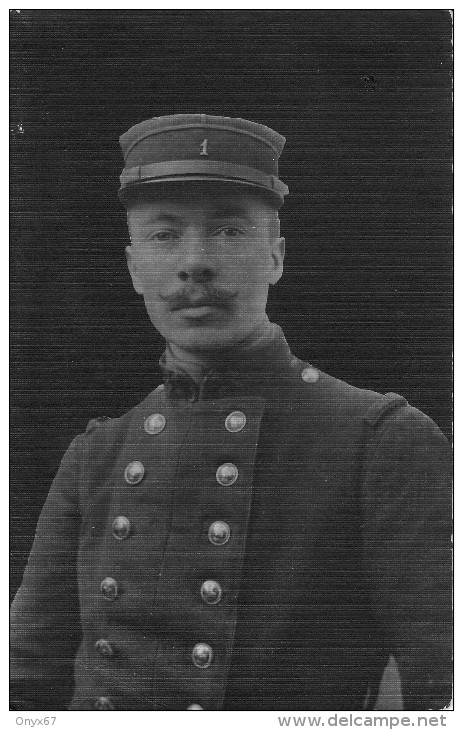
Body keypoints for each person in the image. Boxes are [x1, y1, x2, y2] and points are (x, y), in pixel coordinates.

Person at [10, 114, 452, 712]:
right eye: (165, 236)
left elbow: (443, 688)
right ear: (134, 267)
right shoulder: (94, 457)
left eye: (226, 231)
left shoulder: (379, 441)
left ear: (275, 257)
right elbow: (22, 682)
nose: (195, 264)